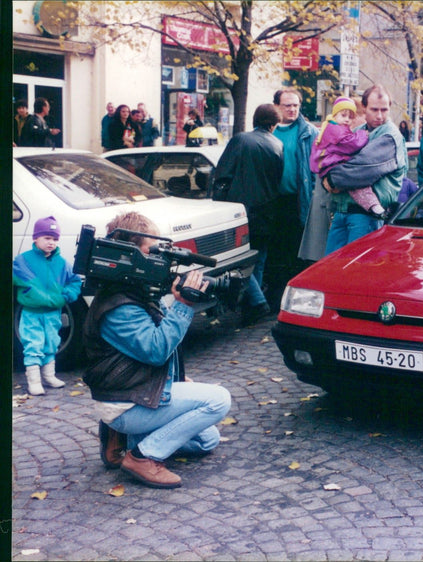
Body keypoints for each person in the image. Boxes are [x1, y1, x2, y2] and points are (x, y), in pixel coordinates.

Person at [82, 211, 231, 489]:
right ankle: (142, 457)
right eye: (152, 250)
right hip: (125, 402)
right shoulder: (119, 305)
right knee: (218, 400)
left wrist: (172, 380)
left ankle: (125, 440)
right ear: (130, 254)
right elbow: (157, 349)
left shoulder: (136, 289)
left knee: (206, 439)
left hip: (137, 389)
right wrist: (184, 306)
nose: (160, 257)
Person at [213, 104, 284, 324]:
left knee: (237, 260)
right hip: (268, 212)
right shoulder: (278, 144)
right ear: (273, 125)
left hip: (241, 211)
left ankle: (257, 301)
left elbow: (222, 174)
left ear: (255, 120)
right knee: (258, 260)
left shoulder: (241, 140)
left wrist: (219, 205)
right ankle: (251, 307)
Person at [323, 84, 407, 255]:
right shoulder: (358, 131)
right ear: (364, 108)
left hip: (365, 215)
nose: (380, 115)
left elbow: (361, 169)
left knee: (356, 272)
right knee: (331, 271)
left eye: (384, 110)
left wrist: (330, 179)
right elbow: (329, 156)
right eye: (374, 109)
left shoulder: (390, 135)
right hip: (343, 210)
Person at [13, 216, 82, 396]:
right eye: (47, 238)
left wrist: (66, 296)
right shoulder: (23, 260)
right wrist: (28, 290)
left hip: (53, 313)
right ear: (35, 238)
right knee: (33, 344)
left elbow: (75, 282)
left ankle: (49, 375)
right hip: (31, 313)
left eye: (55, 239)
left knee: (52, 343)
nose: (51, 242)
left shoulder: (63, 264)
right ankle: (34, 381)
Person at [271, 88, 318, 293]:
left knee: (296, 251)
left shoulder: (309, 132)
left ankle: (293, 293)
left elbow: (317, 168)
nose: (292, 109)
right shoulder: (268, 130)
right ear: (277, 107)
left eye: (295, 105)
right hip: (272, 200)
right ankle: (275, 294)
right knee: (275, 250)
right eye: (287, 105)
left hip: (298, 200)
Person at [311, 96, 387, 218]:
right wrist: (363, 134)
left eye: (350, 117)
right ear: (335, 115)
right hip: (333, 165)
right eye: (343, 115)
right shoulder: (336, 130)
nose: (347, 120)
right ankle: (373, 205)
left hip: (330, 165)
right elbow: (352, 144)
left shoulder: (330, 127)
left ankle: (373, 205)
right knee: (357, 184)